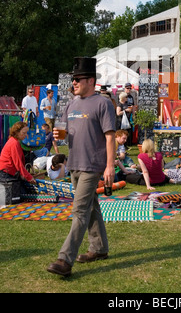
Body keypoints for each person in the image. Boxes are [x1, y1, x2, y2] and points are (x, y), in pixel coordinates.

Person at [47, 57, 116, 277]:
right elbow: (67, 132)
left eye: (78, 79)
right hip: (74, 163)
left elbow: (110, 137)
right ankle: (100, 248)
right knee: (91, 208)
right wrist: (61, 135)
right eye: (73, 79)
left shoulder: (102, 103)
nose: (74, 83)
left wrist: (109, 166)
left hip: (92, 165)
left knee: (79, 211)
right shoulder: (72, 104)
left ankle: (64, 260)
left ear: (90, 81)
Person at [0, 121, 36, 186]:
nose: (26, 135)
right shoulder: (14, 143)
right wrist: (29, 177)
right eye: (23, 133)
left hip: (7, 172)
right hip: (7, 174)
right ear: (17, 132)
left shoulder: (14, 141)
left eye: (26, 133)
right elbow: (18, 163)